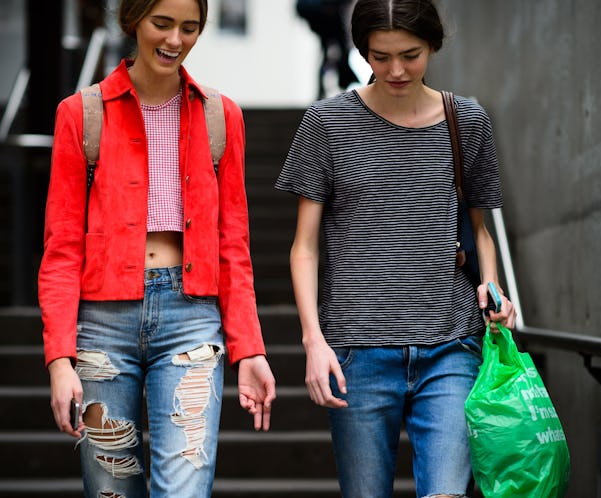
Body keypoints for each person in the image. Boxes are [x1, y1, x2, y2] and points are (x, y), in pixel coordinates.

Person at [275, 0, 517, 496]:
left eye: (411, 54)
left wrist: (491, 287)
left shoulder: (465, 120)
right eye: (380, 57)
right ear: (362, 51)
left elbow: (481, 230)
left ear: (433, 45)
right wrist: (313, 341)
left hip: (450, 343)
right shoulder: (326, 123)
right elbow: (303, 247)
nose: (396, 70)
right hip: (357, 348)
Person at [38, 0, 276, 496]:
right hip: (101, 322)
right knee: (112, 490)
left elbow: (233, 243)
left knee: (185, 490)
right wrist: (59, 359)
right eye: (161, 24)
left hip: (192, 318)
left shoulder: (220, 116)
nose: (175, 41)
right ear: (133, 22)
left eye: (190, 28)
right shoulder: (81, 113)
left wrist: (248, 348)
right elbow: (61, 249)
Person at [296, 0, 359, 98]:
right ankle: (334, 89)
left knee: (335, 55)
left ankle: (339, 87)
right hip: (328, 22)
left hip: (331, 23)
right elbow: (302, 7)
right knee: (334, 55)